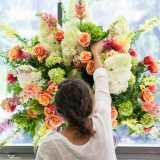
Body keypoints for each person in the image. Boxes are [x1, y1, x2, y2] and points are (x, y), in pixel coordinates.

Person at [36, 40, 117, 160]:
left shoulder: (49, 146)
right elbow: (101, 79)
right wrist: (95, 53)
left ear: (58, 112)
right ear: (92, 102)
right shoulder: (102, 117)